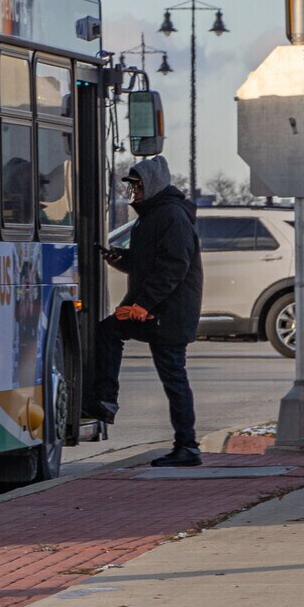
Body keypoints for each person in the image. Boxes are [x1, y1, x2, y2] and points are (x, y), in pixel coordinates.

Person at [86, 156, 204, 468]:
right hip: (154, 311)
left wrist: (143, 305)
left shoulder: (172, 216)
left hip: (168, 314)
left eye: (137, 186)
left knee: (174, 378)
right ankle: (105, 401)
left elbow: (173, 267)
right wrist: (116, 257)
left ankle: (188, 446)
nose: (133, 192)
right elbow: (143, 261)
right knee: (108, 331)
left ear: (152, 185)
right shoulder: (152, 216)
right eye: (132, 186)